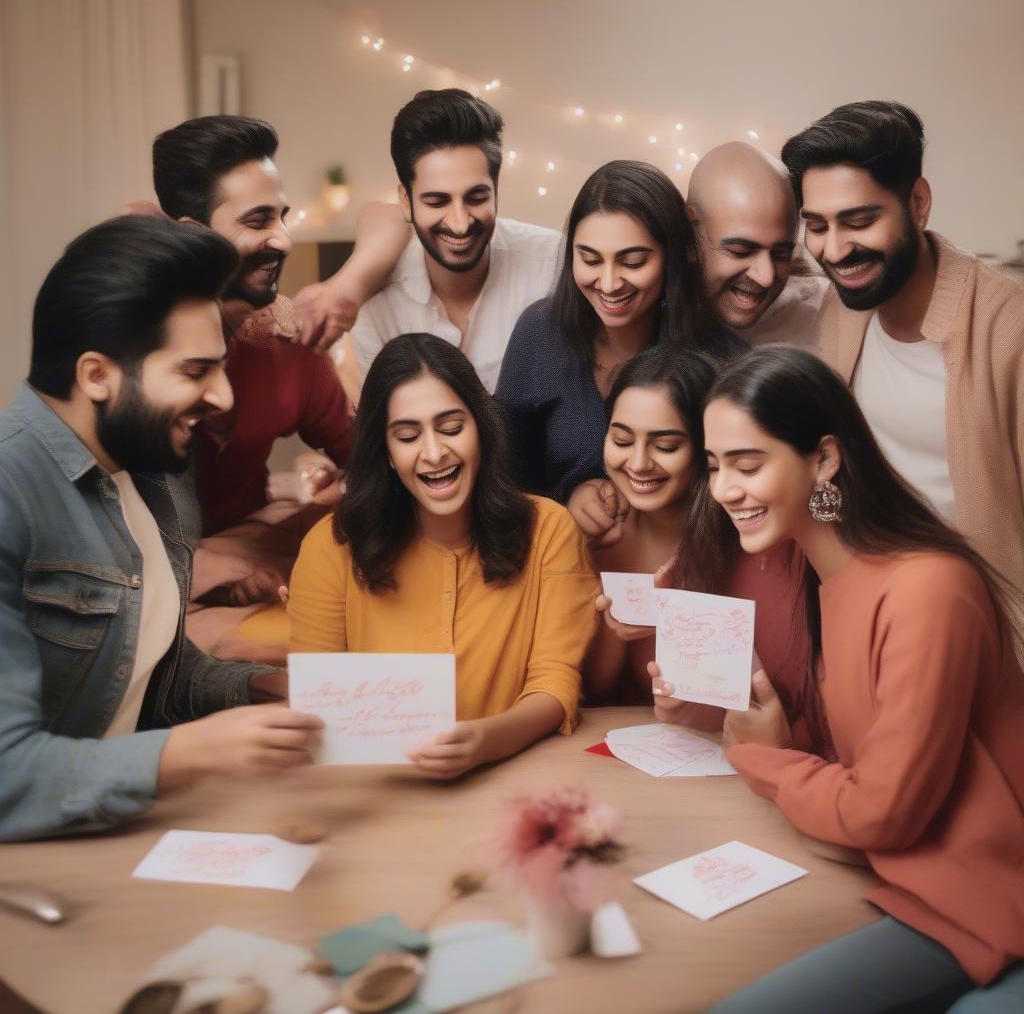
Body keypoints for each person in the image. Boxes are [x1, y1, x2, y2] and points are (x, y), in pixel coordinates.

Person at [665, 347, 1024, 1013]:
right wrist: (775, 736)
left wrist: (762, 756)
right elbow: (868, 757)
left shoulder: (927, 589)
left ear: (824, 459)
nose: (723, 490)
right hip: (919, 896)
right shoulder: (824, 578)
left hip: (995, 906)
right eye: (714, 466)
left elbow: (882, 810)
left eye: (748, 464)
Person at [0, 216, 323, 842]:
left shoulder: (156, 474)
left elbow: (151, 679)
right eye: (194, 370)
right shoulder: (10, 493)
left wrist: (257, 688)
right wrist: (192, 753)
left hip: (120, 839)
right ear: (97, 375)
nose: (223, 397)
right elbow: (8, 777)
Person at [288, 333, 598, 779]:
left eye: (452, 428)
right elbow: (318, 702)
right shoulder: (331, 547)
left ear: (482, 429)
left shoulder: (548, 529)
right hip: (374, 794)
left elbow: (555, 684)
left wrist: (484, 742)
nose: (434, 453)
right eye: (408, 436)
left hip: (516, 779)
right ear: (387, 453)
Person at [781, 101, 1024, 630]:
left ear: (918, 203)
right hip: (870, 617)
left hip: (988, 639)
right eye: (816, 226)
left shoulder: (1009, 329)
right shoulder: (838, 311)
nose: (835, 249)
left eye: (860, 221)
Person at [152, 115, 353, 658]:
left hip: (251, 555)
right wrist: (207, 571)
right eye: (259, 219)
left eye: (282, 217)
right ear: (194, 236)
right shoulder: (129, 346)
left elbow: (366, 458)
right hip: (144, 584)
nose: (283, 239)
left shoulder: (287, 342)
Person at [586, 348, 813, 746]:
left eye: (666, 446)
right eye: (622, 440)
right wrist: (613, 632)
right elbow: (592, 693)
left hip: (732, 762)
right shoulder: (594, 535)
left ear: (706, 450)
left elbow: (766, 697)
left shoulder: (750, 543)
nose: (638, 463)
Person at [495, 160, 735, 504]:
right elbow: (505, 480)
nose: (608, 284)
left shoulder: (719, 357)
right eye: (590, 260)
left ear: (674, 256)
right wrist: (566, 504)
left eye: (633, 262)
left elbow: (727, 491)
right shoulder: (539, 331)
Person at [345, 89, 560, 393]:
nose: (460, 223)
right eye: (437, 201)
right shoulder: (376, 299)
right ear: (405, 201)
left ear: (496, 190)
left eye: (476, 197)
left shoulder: (552, 264)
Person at [686, 141, 826, 347]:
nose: (766, 277)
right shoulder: (648, 313)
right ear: (689, 235)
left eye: (781, 255)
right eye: (741, 251)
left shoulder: (823, 316)